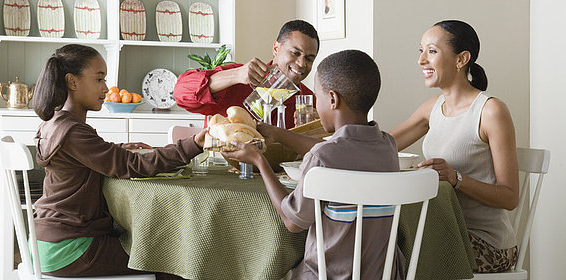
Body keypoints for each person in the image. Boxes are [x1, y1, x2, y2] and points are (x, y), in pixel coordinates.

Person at [223, 50, 405, 280]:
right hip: (384, 275)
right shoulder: (387, 146)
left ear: (332, 99)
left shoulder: (323, 157)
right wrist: (279, 134)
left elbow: (292, 222)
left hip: (325, 275)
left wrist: (260, 162)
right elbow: (335, 150)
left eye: (317, 97)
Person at [31, 44, 206, 278]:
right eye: (99, 79)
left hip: (48, 240)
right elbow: (135, 166)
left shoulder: (55, 123)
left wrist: (117, 149)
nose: (106, 88)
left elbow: (83, 157)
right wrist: (195, 143)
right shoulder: (74, 132)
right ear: (72, 82)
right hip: (71, 249)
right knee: (174, 257)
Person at [390, 20, 519, 273]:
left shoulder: (490, 111)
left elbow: (510, 197)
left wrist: (455, 177)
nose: (421, 61)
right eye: (421, 51)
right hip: (442, 230)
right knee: (379, 241)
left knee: (398, 250)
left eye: (432, 51)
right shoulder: (432, 108)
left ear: (461, 59)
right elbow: (382, 145)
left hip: (487, 244)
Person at [174, 19, 320, 127]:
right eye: (295, 53)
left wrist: (318, 128)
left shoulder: (310, 102)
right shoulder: (237, 78)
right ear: (276, 48)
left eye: (309, 58)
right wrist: (235, 75)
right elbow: (180, 94)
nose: (301, 64)